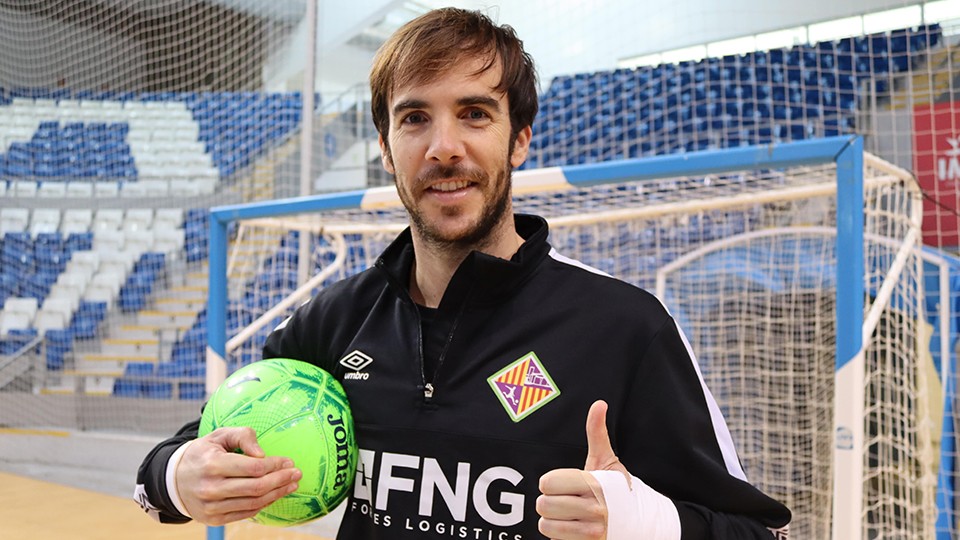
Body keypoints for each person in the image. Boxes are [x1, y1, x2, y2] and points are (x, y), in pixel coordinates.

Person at [135, 7, 791, 539]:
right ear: (387, 150)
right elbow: (179, 458)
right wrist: (178, 476)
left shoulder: (625, 329)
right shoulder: (336, 321)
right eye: (415, 117)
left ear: (520, 139)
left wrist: (645, 523)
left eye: (475, 113)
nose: (444, 147)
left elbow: (755, 532)